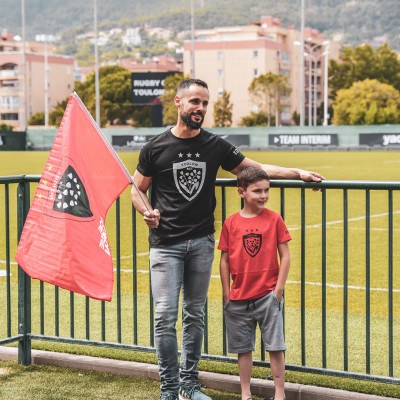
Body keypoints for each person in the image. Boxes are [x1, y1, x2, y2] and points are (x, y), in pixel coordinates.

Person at [130, 78, 323, 400]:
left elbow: (256, 169)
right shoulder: (154, 147)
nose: (200, 108)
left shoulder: (214, 145)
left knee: (195, 313)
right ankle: (169, 389)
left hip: (202, 242)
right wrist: (146, 211)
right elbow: (136, 189)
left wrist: (297, 173)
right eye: (194, 102)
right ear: (178, 102)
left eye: (205, 103)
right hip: (165, 245)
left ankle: (189, 386)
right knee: (165, 316)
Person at [219, 166, 291, 400]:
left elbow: (286, 255)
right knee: (243, 349)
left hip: (268, 295)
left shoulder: (274, 219)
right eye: (257, 191)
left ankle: (279, 394)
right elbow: (224, 259)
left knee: (275, 346)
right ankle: (245, 394)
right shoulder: (230, 223)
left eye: (266, 190)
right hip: (238, 298)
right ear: (241, 192)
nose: (263, 196)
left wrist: (278, 290)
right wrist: (226, 293)